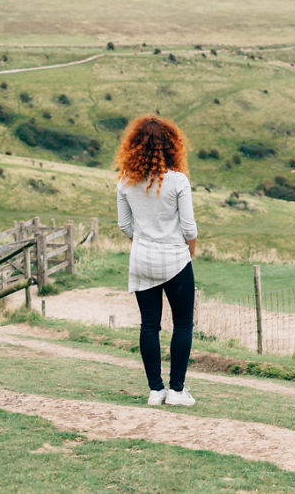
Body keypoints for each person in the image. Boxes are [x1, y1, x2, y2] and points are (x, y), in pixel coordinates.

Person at [115, 115, 198, 406]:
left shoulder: (125, 182)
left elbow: (125, 227)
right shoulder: (178, 181)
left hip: (142, 260)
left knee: (149, 325)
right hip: (175, 259)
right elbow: (189, 228)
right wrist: (190, 252)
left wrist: (144, 241)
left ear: (134, 145)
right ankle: (177, 391)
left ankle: (155, 390)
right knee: (183, 323)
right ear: (171, 145)